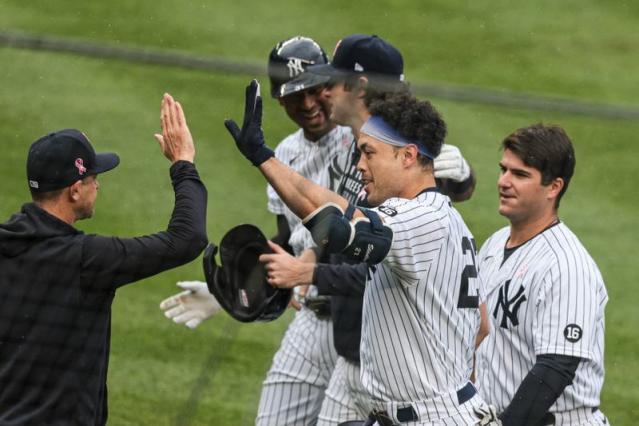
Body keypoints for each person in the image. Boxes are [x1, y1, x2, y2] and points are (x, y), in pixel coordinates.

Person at [225, 80, 488, 424]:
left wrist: (266, 162)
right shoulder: (436, 216)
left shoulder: (417, 221)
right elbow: (482, 324)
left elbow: (336, 228)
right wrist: (264, 158)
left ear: (407, 156)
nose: (360, 165)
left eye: (369, 153)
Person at [0, 94, 208, 425]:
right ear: (74, 191)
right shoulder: (86, 259)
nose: (98, 184)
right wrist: (183, 162)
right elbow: (187, 239)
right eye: (93, 177)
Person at [474, 124, 609, 425]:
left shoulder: (567, 266)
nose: (503, 182)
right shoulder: (494, 245)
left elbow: (556, 367)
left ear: (553, 187)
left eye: (520, 175)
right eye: (504, 169)